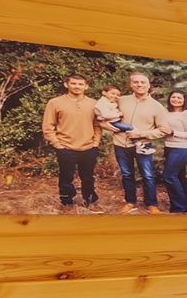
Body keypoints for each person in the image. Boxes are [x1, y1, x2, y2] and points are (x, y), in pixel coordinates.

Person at [41, 73, 101, 210]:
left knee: (88, 177)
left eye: (80, 84)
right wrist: (57, 144)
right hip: (65, 147)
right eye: (73, 83)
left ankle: (90, 201)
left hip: (88, 147)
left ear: (86, 86)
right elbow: (48, 126)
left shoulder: (94, 103)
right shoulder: (55, 102)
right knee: (66, 177)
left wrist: (96, 143)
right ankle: (67, 202)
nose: (77, 86)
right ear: (66, 84)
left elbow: (97, 125)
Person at [110, 71, 168, 214]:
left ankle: (151, 204)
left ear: (148, 85)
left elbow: (164, 130)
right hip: (120, 144)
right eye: (136, 82)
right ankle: (130, 202)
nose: (139, 85)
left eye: (143, 82)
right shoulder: (121, 100)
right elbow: (106, 115)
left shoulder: (157, 107)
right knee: (127, 174)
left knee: (148, 175)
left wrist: (141, 134)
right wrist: (108, 126)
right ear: (131, 84)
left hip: (143, 145)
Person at [158, 90, 187, 213]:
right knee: (179, 177)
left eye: (179, 98)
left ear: (184, 100)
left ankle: (179, 208)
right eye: (173, 97)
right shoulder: (166, 113)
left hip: (183, 148)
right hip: (169, 147)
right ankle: (184, 204)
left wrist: (173, 132)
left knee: (169, 176)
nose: (176, 99)